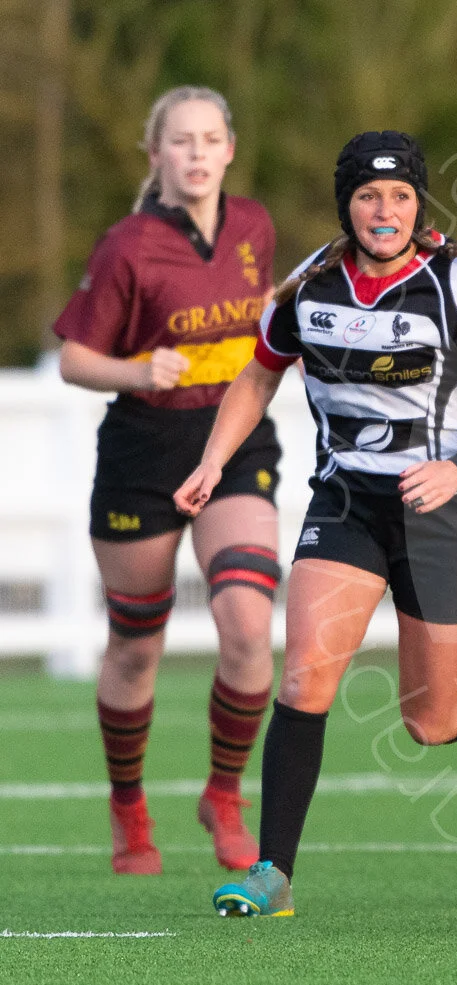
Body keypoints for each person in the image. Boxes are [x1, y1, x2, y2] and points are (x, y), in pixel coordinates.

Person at [172, 131, 457, 917]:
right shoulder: (312, 285)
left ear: (420, 205)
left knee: (429, 719)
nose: (386, 211)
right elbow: (256, 376)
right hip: (348, 506)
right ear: (346, 205)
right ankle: (272, 874)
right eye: (370, 197)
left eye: (402, 196)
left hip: (449, 513)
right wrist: (212, 462)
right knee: (306, 677)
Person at [54, 86, 280, 875]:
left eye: (209, 139)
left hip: (236, 439)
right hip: (143, 453)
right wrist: (136, 368)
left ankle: (224, 795)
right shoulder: (127, 245)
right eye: (179, 141)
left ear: (229, 148)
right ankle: (128, 807)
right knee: (135, 646)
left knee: (249, 625)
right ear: (156, 155)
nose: (195, 153)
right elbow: (74, 360)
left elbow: (270, 333)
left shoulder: (255, 226)